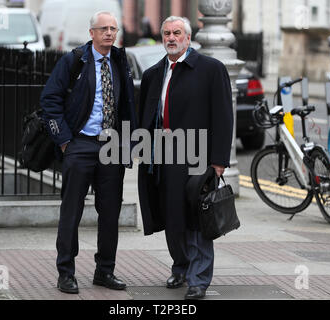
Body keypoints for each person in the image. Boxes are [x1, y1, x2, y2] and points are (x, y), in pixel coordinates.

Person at [137, 16, 234, 300]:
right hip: (163, 156)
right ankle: (180, 266)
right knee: (171, 217)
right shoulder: (154, 73)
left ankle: (198, 279)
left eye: (177, 33)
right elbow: (147, 116)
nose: (171, 37)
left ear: (188, 38)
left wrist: (218, 161)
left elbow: (223, 117)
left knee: (196, 219)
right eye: (166, 33)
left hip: (197, 156)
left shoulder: (211, 69)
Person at [40, 11, 137, 294]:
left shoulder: (120, 61)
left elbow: (129, 105)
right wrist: (64, 140)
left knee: (110, 212)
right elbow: (50, 100)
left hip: (111, 146)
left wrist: (129, 145)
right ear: (92, 32)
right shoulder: (74, 60)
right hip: (80, 143)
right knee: (72, 211)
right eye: (103, 29)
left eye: (113, 29)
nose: (109, 33)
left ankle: (105, 271)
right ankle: (66, 272)